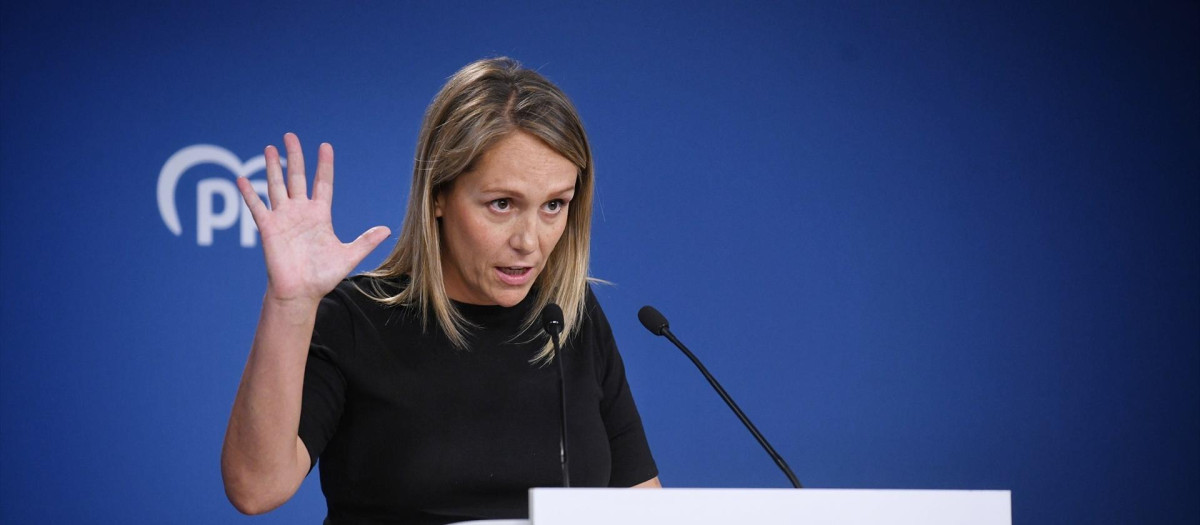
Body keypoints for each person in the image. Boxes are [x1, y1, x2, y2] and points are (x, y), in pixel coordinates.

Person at [220, 57, 660, 524]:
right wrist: (290, 305)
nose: (529, 241)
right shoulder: (354, 319)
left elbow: (642, 504)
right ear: (438, 195)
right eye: (502, 204)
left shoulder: (569, 317)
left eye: (554, 205)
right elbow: (255, 488)